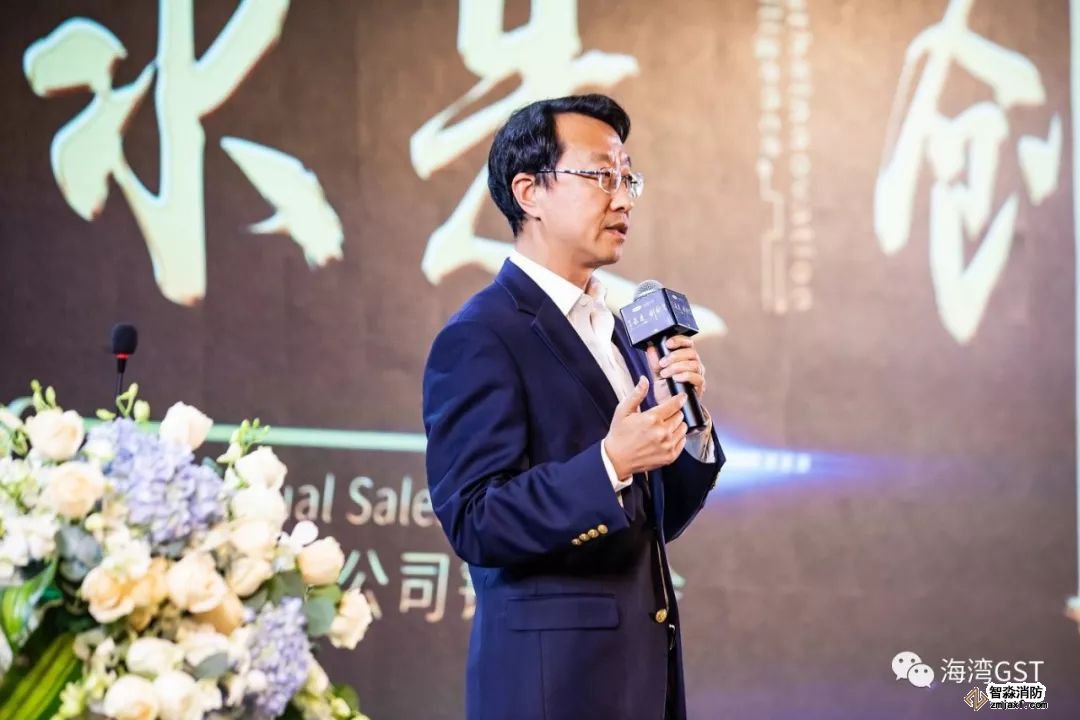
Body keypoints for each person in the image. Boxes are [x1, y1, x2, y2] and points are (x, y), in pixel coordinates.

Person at [422, 94, 725, 720]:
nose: (624, 199)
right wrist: (610, 463)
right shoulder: (482, 334)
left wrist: (687, 430)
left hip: (641, 684)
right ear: (529, 191)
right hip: (551, 690)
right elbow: (475, 520)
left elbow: (651, 521)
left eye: (628, 178)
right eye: (600, 176)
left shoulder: (617, 330)